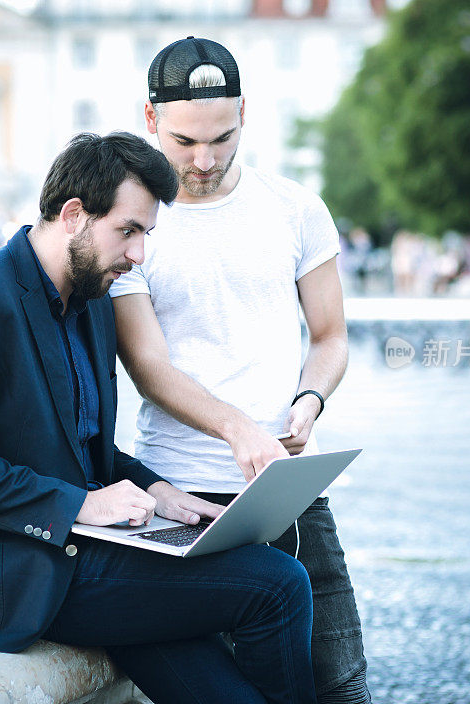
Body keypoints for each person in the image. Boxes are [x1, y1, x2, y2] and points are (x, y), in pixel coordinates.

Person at [0, 132, 318, 704]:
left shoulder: (92, 302)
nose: (138, 255)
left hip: (73, 555)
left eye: (145, 235)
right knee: (278, 585)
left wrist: (157, 491)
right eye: (127, 231)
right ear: (75, 215)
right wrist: (82, 504)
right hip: (2, 573)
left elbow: (83, 447)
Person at [110, 37, 370, 704]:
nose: (205, 159)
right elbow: (146, 363)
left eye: (222, 138)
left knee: (342, 687)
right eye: (185, 141)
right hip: (183, 497)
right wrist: (236, 429)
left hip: (290, 494)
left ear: (245, 113)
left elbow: (331, 335)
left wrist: (310, 400)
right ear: (150, 120)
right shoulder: (134, 226)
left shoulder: (296, 208)